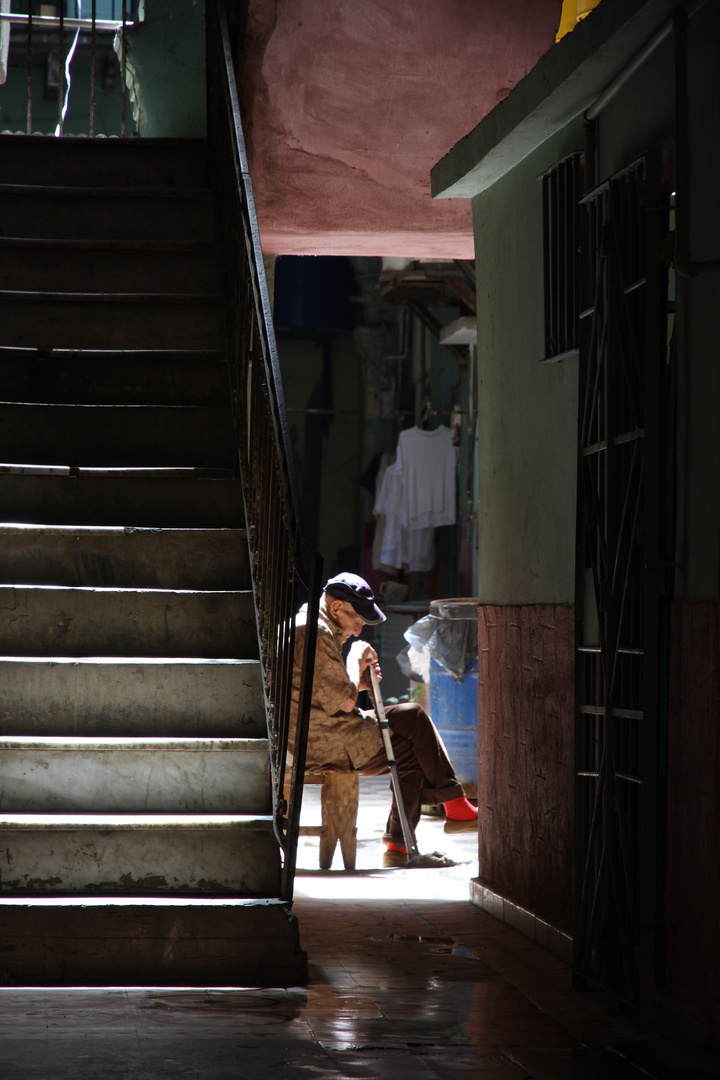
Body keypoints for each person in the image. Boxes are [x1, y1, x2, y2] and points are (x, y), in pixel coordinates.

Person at [290, 572, 477, 866]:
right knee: (412, 719)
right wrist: (354, 659)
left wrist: (360, 683)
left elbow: (325, 692)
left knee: (409, 729)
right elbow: (343, 701)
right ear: (338, 607)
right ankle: (449, 810)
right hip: (323, 742)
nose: (359, 627)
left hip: (323, 729)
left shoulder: (314, 624)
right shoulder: (313, 632)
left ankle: (403, 845)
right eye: (358, 619)